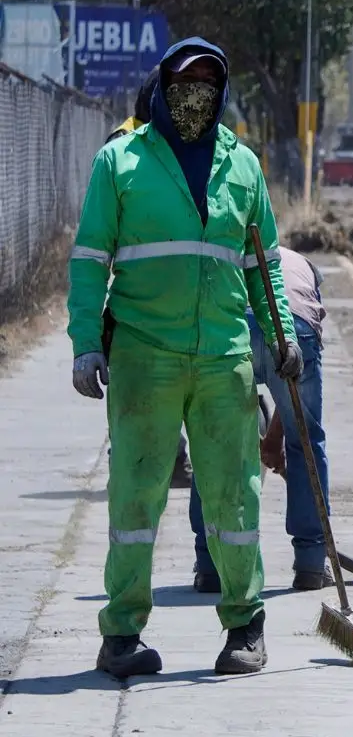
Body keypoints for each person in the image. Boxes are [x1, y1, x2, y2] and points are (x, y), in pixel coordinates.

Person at [67, 37, 301, 679]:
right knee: (136, 498)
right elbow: (89, 259)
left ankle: (244, 628)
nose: (194, 92)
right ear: (162, 86)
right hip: (144, 356)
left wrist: (282, 337)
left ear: (221, 90)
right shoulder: (122, 162)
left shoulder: (243, 167)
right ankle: (121, 636)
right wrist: (86, 342)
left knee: (235, 496)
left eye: (207, 80)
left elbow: (263, 264)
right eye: (183, 80)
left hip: (224, 355)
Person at [190, 246, 332, 593]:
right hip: (293, 330)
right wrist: (280, 439)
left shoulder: (222, 250)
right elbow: (294, 402)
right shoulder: (303, 265)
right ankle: (311, 563)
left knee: (214, 444)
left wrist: (268, 440)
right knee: (307, 442)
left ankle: (210, 563)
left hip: (231, 330)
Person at [104, 66, 194, 492]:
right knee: (146, 382)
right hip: (139, 289)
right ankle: (144, 458)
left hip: (165, 284)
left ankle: (162, 457)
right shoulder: (126, 145)